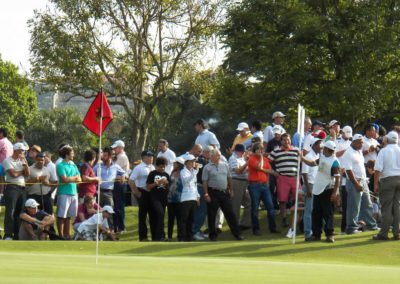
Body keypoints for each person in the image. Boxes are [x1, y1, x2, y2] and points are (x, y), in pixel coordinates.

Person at [301, 141, 341, 243]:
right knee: (316, 213)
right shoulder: (322, 158)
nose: (322, 150)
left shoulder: (334, 162)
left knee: (328, 213)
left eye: (324, 148)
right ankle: (316, 234)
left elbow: (337, 178)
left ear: (328, 149)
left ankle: (330, 235)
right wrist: (301, 157)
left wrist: (335, 192)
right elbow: (311, 163)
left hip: (328, 189)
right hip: (317, 189)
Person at [202, 148, 244, 241]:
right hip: (213, 192)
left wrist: (231, 189)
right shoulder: (207, 167)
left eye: (219, 154)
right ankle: (213, 235)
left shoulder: (225, 165)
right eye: (218, 155)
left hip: (224, 192)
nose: (219, 156)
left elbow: (229, 178)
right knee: (212, 215)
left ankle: (237, 234)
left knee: (230, 214)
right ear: (212, 156)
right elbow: (205, 181)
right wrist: (206, 194)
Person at [342, 134, 378, 234]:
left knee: (367, 204)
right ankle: (351, 228)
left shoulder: (359, 152)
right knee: (354, 206)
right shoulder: (348, 153)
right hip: (354, 181)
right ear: (353, 142)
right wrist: (356, 184)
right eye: (359, 142)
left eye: (362, 142)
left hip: (363, 180)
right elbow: (348, 170)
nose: (361, 144)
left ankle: (371, 225)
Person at [268, 133, 300, 227]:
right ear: (281, 141)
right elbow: (268, 161)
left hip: (295, 177)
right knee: (282, 200)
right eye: (284, 140)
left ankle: (298, 219)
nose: (287, 141)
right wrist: (273, 171)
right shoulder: (276, 151)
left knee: (299, 198)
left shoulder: (296, 150)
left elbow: (301, 162)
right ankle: (284, 219)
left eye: (288, 139)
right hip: (282, 177)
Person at [373, 131, 400, 241]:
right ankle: (397, 233)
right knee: (397, 206)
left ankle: (383, 233)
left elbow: (378, 169)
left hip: (387, 180)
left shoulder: (384, 151)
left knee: (386, 208)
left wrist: (375, 184)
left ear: (387, 139)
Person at [247, 142, 278, 235]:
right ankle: (256, 229)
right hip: (254, 186)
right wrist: (261, 158)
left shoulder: (265, 159)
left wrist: (269, 175)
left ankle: (273, 228)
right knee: (255, 208)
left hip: (264, 185)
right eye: (259, 149)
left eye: (262, 149)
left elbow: (271, 171)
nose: (261, 151)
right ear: (254, 150)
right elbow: (259, 167)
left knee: (270, 207)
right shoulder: (251, 159)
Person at [3, 142, 30, 240]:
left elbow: (27, 174)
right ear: (16, 150)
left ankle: (17, 234)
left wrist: (26, 165)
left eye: (23, 151)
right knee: (10, 211)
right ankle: (8, 235)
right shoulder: (7, 160)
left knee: (20, 213)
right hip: (12, 187)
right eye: (21, 151)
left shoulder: (23, 160)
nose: (23, 153)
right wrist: (22, 171)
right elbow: (13, 174)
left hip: (22, 188)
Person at [128, 150, 155, 241]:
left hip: (151, 193)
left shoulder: (153, 167)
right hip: (142, 191)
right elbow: (131, 181)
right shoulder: (139, 168)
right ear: (143, 157)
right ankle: (143, 237)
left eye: (152, 156)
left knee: (153, 215)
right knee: (143, 216)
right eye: (149, 156)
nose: (151, 158)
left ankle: (155, 236)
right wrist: (136, 192)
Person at [56, 145, 81, 239]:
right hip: (63, 193)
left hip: (74, 193)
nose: (73, 154)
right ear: (67, 154)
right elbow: (64, 179)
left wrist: (73, 178)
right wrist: (74, 178)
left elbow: (79, 179)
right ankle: (61, 235)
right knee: (61, 216)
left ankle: (67, 235)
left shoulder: (73, 165)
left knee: (69, 216)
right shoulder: (60, 165)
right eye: (72, 153)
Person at [300, 138, 322, 239]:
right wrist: (308, 189)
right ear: (313, 145)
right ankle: (307, 232)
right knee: (309, 210)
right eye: (319, 144)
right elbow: (304, 173)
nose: (320, 146)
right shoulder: (308, 156)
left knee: (316, 210)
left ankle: (314, 231)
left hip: (316, 185)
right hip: (310, 185)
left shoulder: (318, 156)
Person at [146, 157, 171, 241]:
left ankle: (161, 236)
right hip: (155, 197)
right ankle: (159, 236)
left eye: (164, 167)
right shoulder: (152, 174)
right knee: (160, 213)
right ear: (156, 166)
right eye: (161, 166)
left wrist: (167, 183)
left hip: (164, 198)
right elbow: (148, 187)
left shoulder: (166, 175)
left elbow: (169, 188)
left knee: (161, 216)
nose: (162, 168)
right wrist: (156, 183)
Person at [228, 143, 251, 230]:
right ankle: (235, 225)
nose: (244, 153)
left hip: (244, 182)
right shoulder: (233, 158)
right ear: (239, 151)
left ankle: (245, 223)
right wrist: (247, 163)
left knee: (249, 202)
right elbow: (237, 171)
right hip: (236, 181)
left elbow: (244, 170)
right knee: (236, 205)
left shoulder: (241, 158)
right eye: (243, 152)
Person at [178, 154, 200, 241]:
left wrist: (198, 196)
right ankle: (181, 237)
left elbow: (195, 185)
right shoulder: (183, 171)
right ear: (186, 163)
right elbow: (186, 181)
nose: (194, 163)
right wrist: (195, 172)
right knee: (184, 219)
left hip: (193, 197)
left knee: (191, 219)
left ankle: (189, 237)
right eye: (192, 161)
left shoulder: (192, 172)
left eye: (194, 161)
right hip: (186, 198)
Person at [111, 140, 130, 233]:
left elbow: (113, 169)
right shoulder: (117, 157)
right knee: (116, 206)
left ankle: (121, 227)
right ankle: (117, 227)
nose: (114, 149)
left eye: (116, 147)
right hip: (116, 182)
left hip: (120, 183)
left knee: (119, 206)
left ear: (121, 148)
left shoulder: (122, 157)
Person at [337, 125, 353, 233]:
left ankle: (352, 226)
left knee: (352, 204)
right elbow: (334, 155)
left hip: (351, 176)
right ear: (342, 133)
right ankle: (344, 228)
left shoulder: (352, 143)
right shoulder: (338, 142)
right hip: (342, 177)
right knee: (345, 205)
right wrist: (345, 151)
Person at [167, 157, 184, 240]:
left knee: (179, 219)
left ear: (179, 164)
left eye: (175, 163)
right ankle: (169, 237)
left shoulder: (183, 173)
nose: (173, 165)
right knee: (170, 219)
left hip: (180, 199)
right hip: (170, 199)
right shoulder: (172, 172)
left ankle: (180, 237)